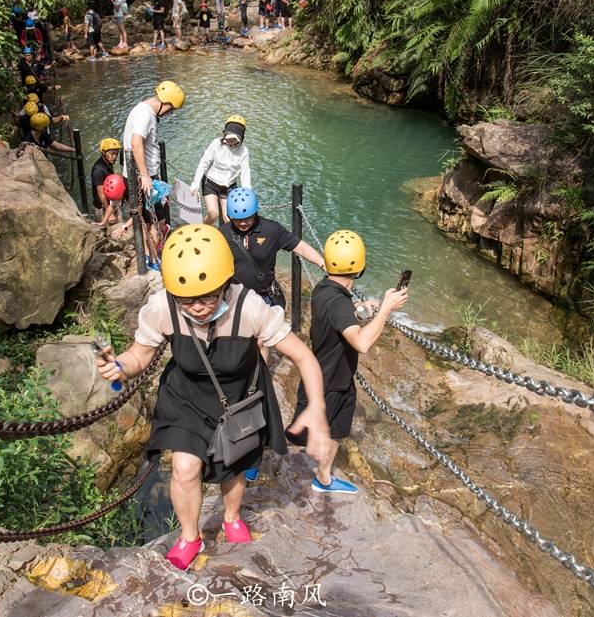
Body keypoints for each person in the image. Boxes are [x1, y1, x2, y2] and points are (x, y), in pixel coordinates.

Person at [95, 224, 333, 571]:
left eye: (208, 296)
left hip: (237, 398)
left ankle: (232, 517)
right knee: (184, 466)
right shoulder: (164, 307)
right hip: (187, 395)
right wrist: (120, 366)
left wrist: (317, 410)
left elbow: (304, 357)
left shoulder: (249, 308)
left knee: (233, 468)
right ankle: (190, 536)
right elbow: (139, 356)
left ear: (225, 283)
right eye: (187, 299)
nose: (199, 307)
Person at [286, 230, 409, 495]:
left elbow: (340, 316)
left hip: (338, 378)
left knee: (336, 432)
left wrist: (364, 310)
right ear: (360, 267)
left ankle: (324, 479)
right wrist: (386, 309)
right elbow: (362, 343)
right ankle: (255, 459)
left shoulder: (325, 289)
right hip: (327, 382)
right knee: (298, 436)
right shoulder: (338, 303)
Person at [219, 187, 325, 310]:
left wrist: (322, 263)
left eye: (247, 218)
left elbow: (300, 247)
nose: (242, 223)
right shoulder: (223, 233)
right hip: (234, 297)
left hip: (263, 297)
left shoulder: (271, 230)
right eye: (237, 219)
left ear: (255, 213)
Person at [121, 80, 185, 269]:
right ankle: (153, 260)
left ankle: (151, 258)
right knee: (157, 220)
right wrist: (146, 176)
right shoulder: (145, 114)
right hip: (144, 177)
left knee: (147, 219)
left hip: (140, 174)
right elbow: (135, 143)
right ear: (166, 103)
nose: (170, 114)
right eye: (171, 109)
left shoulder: (141, 109)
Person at [190, 116, 251, 225]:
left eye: (235, 140)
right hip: (211, 183)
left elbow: (245, 173)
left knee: (229, 218)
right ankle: (200, 227)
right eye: (229, 139)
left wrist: (248, 194)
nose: (231, 143)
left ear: (241, 138)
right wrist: (195, 184)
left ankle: (224, 238)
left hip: (229, 186)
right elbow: (204, 163)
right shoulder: (216, 144)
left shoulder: (244, 151)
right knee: (213, 214)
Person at [91, 138, 125, 225]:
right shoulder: (98, 170)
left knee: (120, 225)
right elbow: (100, 193)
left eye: (116, 154)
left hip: (112, 202)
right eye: (112, 153)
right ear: (103, 153)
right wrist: (109, 213)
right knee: (108, 230)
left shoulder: (108, 164)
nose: (114, 157)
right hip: (102, 207)